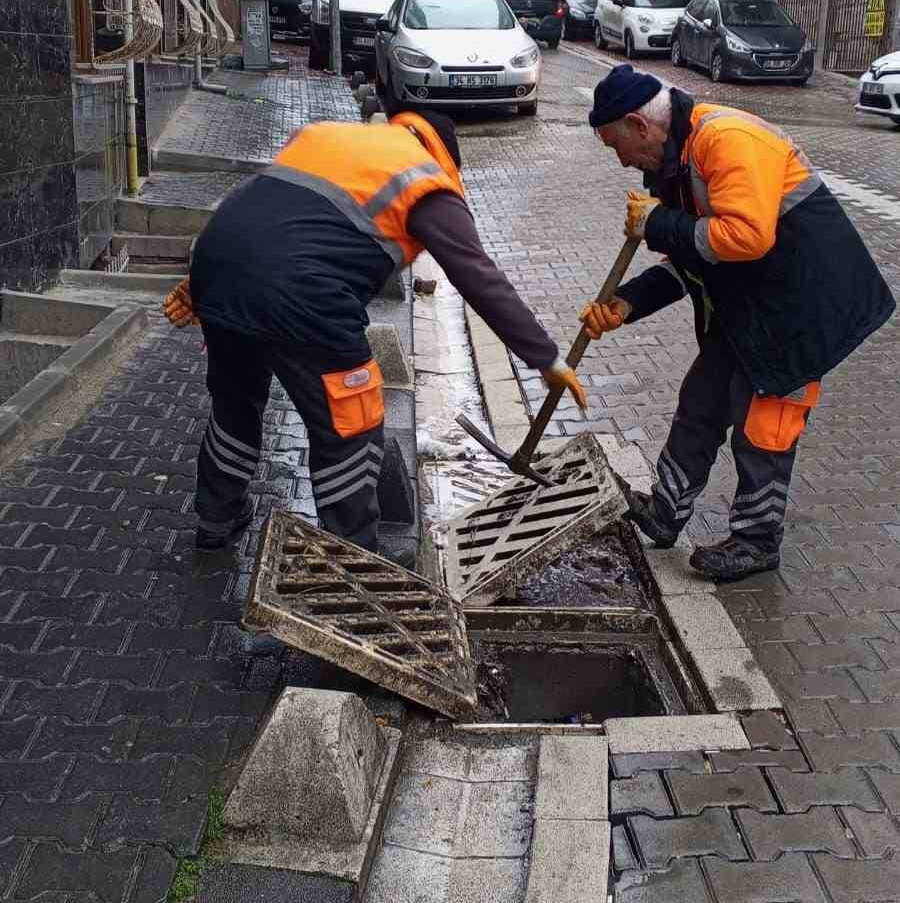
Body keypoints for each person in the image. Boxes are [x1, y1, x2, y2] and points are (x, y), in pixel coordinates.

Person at [165, 108, 585, 551]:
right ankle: (351, 552)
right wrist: (545, 357)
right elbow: (478, 275)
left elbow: (269, 218)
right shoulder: (424, 179)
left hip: (216, 262)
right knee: (351, 422)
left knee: (235, 403)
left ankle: (216, 519)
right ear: (445, 157)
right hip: (303, 295)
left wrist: (208, 282)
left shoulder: (330, 137)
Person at [581, 65, 895, 582]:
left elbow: (746, 237)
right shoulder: (677, 162)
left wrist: (657, 221)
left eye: (619, 146)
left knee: (764, 428)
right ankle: (665, 511)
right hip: (753, 306)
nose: (622, 161)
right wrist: (627, 303)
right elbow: (696, 255)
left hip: (802, 311)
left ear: (640, 124)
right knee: (700, 403)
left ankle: (756, 540)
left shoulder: (726, 139)